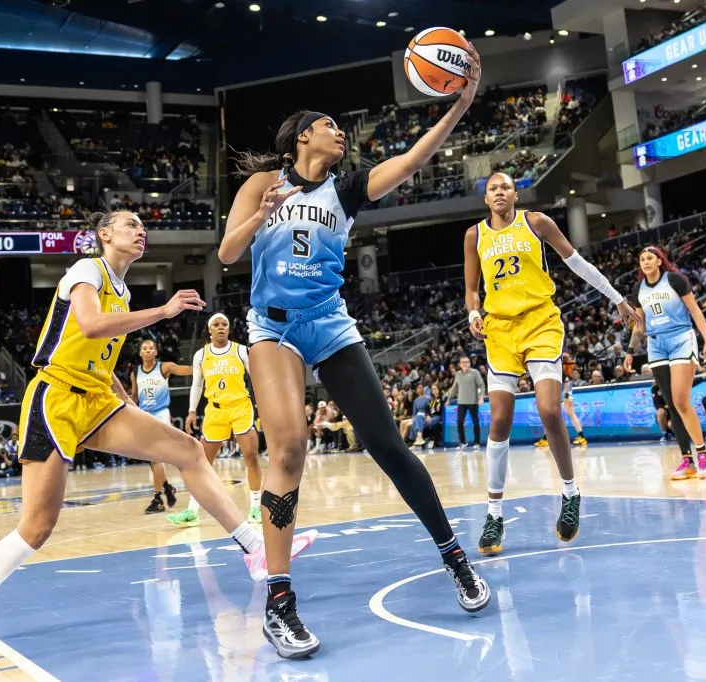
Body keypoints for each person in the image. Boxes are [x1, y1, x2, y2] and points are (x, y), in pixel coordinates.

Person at [0, 210, 317, 657]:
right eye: (130, 223)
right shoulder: (86, 270)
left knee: (188, 450)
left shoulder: (123, 289)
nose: (140, 230)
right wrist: (164, 310)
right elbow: (91, 326)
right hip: (54, 397)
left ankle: (254, 552)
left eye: (142, 226)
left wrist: (131, 410)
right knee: (37, 527)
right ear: (104, 234)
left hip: (97, 399)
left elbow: (103, 360)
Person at [220, 44, 490, 659]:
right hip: (274, 328)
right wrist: (260, 213)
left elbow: (414, 158)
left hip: (329, 323)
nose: (339, 132)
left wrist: (460, 104)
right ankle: (279, 604)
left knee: (388, 445)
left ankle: (455, 559)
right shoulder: (263, 184)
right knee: (287, 447)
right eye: (328, 126)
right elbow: (227, 255)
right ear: (301, 137)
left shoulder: (345, 190)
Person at [463, 171, 639, 557]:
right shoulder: (475, 235)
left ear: (515, 194)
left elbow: (575, 262)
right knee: (498, 420)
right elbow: (472, 290)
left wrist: (616, 298)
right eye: (493, 188)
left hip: (540, 323)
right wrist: (473, 313)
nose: (500, 192)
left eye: (506, 186)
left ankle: (571, 493)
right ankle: (493, 515)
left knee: (548, 410)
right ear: (485, 197)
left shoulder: (536, 222)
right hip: (500, 332)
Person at [625, 246, 706, 480]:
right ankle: (687, 461)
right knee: (670, 404)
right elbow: (639, 324)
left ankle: (703, 454)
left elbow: (695, 311)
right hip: (656, 345)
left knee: (680, 400)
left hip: (681, 338)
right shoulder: (638, 289)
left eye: (649, 258)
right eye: (642, 259)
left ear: (659, 261)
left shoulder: (675, 280)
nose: (645, 262)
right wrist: (630, 351)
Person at [168, 313, 263, 526]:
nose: (221, 327)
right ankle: (192, 511)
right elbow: (197, 385)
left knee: (251, 456)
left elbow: (255, 378)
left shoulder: (240, 350)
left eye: (225, 325)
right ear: (209, 330)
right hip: (215, 410)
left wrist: (261, 404)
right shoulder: (201, 355)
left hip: (240, 407)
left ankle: (256, 507)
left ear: (229, 329)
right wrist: (192, 410)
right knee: (201, 462)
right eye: (216, 325)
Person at [130, 338, 190, 513]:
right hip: (143, 415)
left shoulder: (164, 367)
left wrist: (204, 364)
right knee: (153, 459)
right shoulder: (136, 372)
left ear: (156, 352)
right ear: (140, 353)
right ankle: (166, 489)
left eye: (151, 348)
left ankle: (158, 498)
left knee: (156, 458)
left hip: (161, 414)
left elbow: (185, 370)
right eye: (144, 348)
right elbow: (134, 397)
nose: (148, 350)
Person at [448, 355, 485, 449]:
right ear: (460, 364)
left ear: (469, 363)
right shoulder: (458, 374)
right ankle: (462, 442)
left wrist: (481, 397)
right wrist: (448, 399)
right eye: (463, 362)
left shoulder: (475, 372)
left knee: (475, 422)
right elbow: (454, 388)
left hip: (473, 401)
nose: (464, 364)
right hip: (461, 402)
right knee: (459, 422)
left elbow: (482, 385)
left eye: (466, 362)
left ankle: (477, 442)